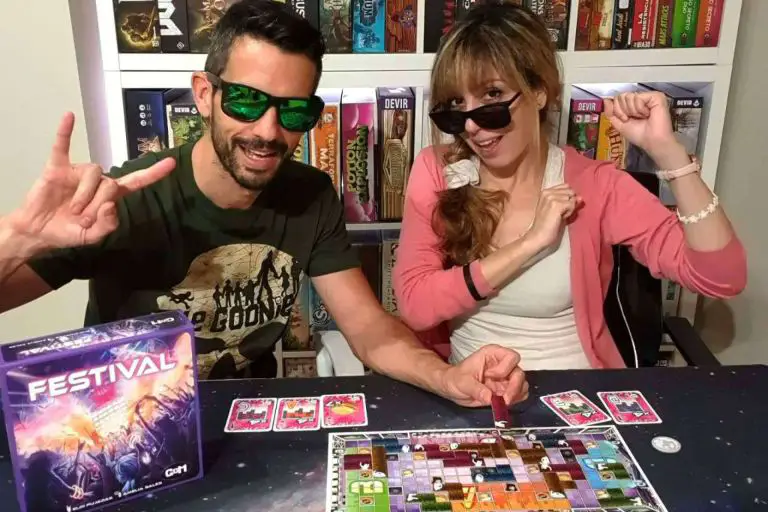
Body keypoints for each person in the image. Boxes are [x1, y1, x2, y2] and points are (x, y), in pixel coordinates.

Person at [0, 0, 528, 407]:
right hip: (129, 426)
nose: (268, 131)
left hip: (246, 423)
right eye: (247, 101)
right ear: (204, 94)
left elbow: (369, 330)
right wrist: (19, 240)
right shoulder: (126, 199)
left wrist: (447, 378)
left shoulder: (310, 195)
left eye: (293, 111)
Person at [393, 3, 747, 371]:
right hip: (472, 389)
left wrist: (669, 154)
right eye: (456, 104)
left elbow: (722, 278)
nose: (470, 125)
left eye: (492, 96)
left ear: (539, 92)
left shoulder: (594, 186)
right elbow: (416, 305)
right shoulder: (438, 170)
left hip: (574, 389)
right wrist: (529, 245)